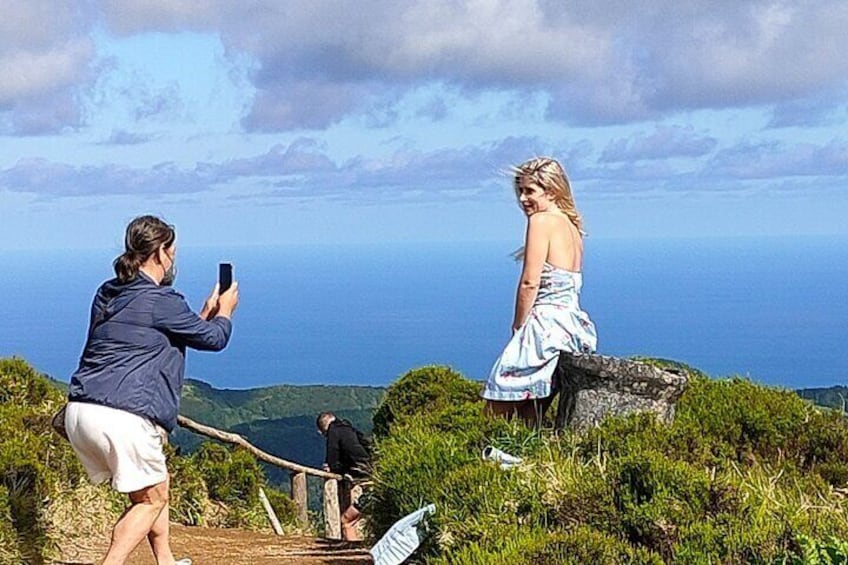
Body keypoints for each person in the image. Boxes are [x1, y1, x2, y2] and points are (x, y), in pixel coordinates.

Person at [65, 215, 239, 565]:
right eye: (172, 252)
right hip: (122, 418)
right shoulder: (163, 300)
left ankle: (166, 561)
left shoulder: (107, 292)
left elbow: (143, 334)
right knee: (151, 500)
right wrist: (226, 312)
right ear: (160, 253)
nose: (173, 260)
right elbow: (215, 340)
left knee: (156, 488)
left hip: (80, 411)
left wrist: (202, 314)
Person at [482, 157, 597, 427]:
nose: (523, 199)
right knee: (532, 413)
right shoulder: (573, 228)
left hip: (543, 328)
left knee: (495, 410)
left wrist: (518, 327)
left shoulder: (542, 221)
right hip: (571, 327)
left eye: (530, 190)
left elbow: (529, 282)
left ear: (552, 189)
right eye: (520, 191)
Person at [317, 412, 372, 541]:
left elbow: (333, 458)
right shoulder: (348, 428)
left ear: (322, 430)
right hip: (374, 472)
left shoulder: (333, 432)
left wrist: (333, 468)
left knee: (346, 521)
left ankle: (352, 551)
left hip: (366, 480)